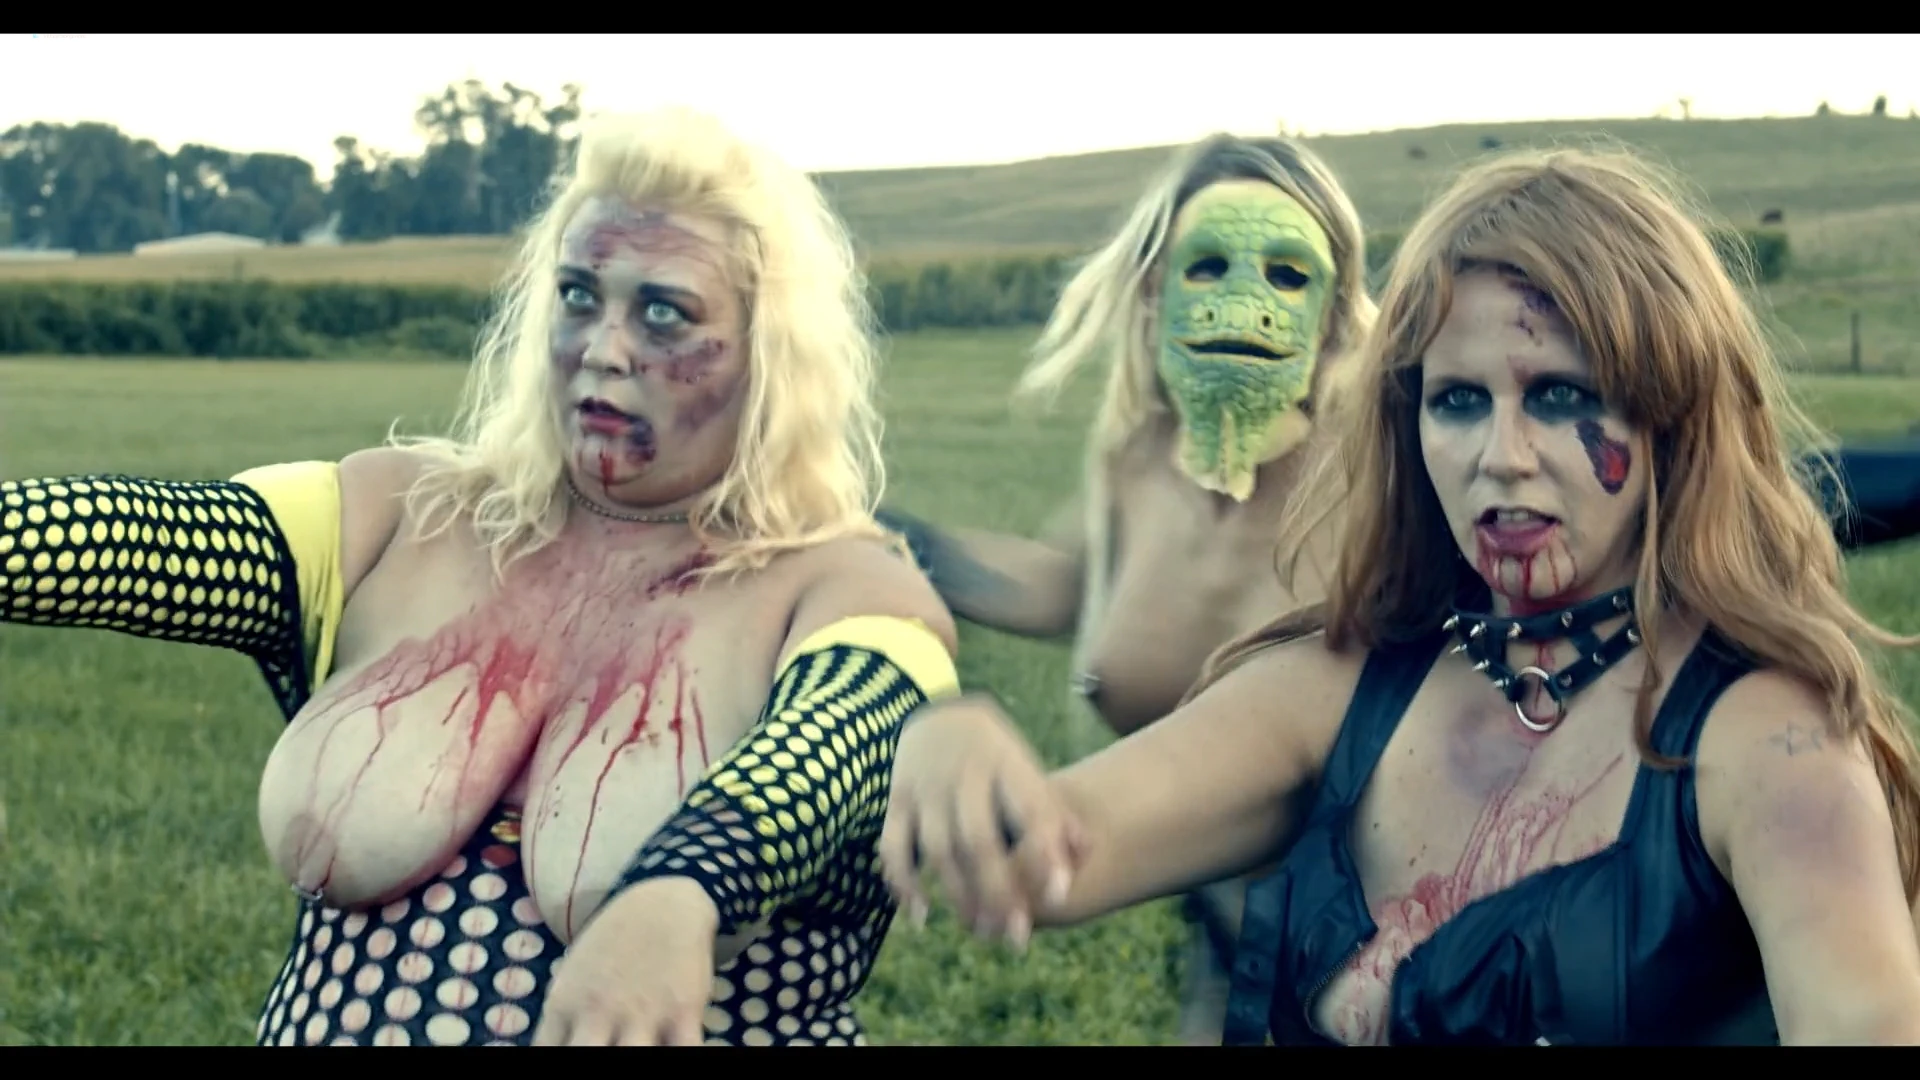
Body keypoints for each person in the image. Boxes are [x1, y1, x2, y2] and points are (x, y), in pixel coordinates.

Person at [875, 133, 1920, 1044]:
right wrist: (951, 739)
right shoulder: (1341, 686)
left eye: (1560, 394)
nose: (1500, 456)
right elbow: (1053, 853)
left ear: (1671, 412)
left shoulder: (1768, 745)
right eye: (1457, 400)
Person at [0, 106, 960, 1047]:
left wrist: (687, 884)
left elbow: (835, 745)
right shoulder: (397, 515)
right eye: (578, 295)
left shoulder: (844, 586)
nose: (603, 348)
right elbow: (122, 536)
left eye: (663, 313)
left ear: (768, 351)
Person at [876, 132, 1378, 1042]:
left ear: (1336, 312)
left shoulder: (1386, 478)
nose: (1243, 302)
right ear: (1153, 293)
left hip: (1382, 960)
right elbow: (1066, 583)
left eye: (1287, 275)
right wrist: (881, 538)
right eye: (1207, 266)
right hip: (1225, 947)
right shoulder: (1139, 459)